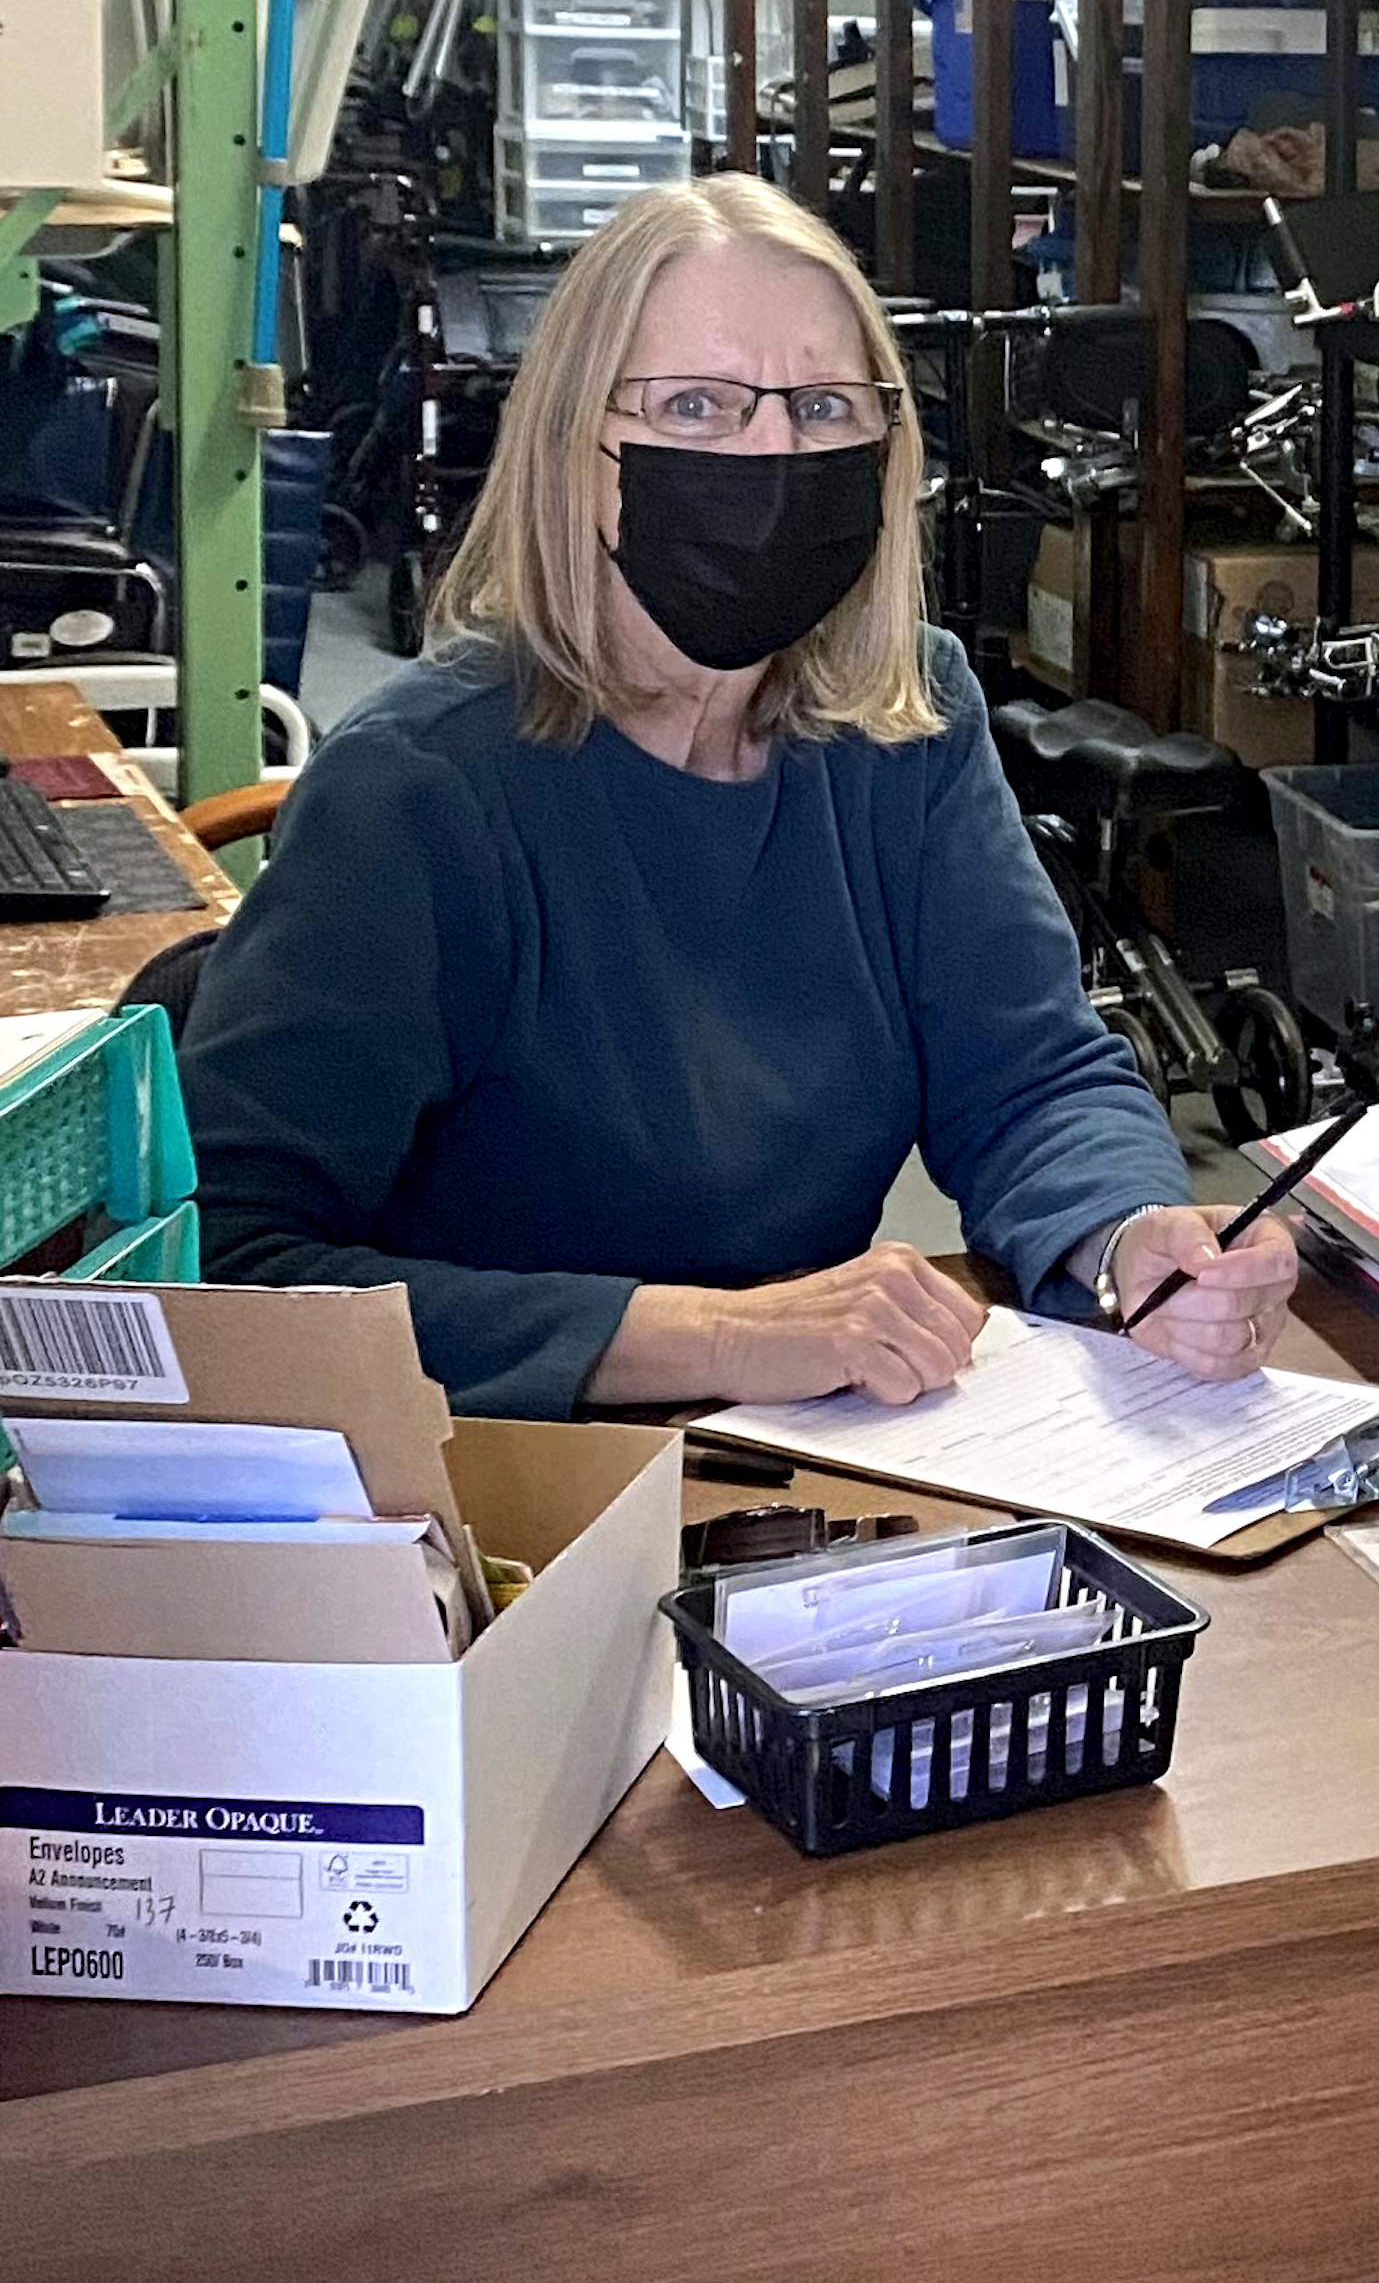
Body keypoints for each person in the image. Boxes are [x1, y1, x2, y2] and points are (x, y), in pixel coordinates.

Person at [182, 175, 1300, 1417]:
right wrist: (712, 1338)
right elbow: (231, 1272)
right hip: (494, 1485)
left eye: (824, 407)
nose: (772, 456)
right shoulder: (419, 791)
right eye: (696, 407)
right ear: (574, 446)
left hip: (819, 1442)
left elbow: (1029, 1073)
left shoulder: (906, 722)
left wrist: (1128, 1236)